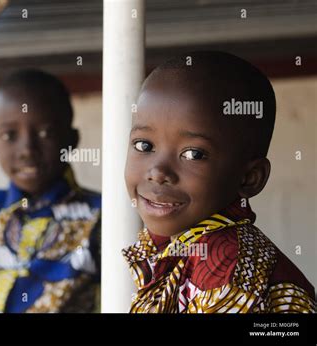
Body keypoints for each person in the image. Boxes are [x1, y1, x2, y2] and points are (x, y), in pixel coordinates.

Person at [122, 51, 315, 313]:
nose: (158, 172)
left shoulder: (224, 264)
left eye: (194, 154)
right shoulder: (176, 245)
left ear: (250, 178)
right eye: (144, 145)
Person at [0, 69, 101, 312]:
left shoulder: (99, 218)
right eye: (10, 135)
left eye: (46, 132)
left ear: (72, 139)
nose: (27, 149)